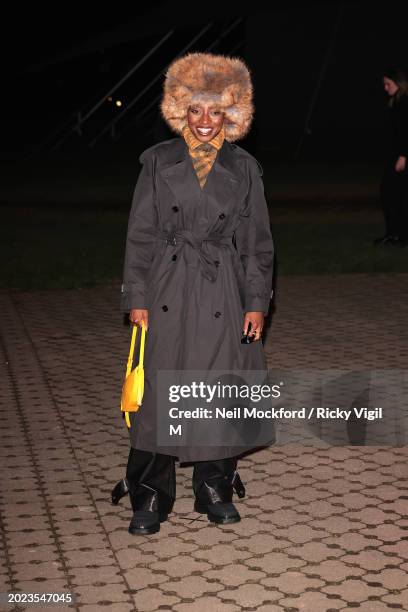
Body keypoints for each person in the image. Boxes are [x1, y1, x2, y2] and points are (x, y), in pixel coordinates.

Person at [111, 52, 275, 535]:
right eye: (196, 110)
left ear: (232, 114)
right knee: (160, 388)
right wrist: (136, 295)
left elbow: (257, 244)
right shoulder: (158, 162)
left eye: (216, 111)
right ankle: (150, 492)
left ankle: (213, 487)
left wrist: (255, 303)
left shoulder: (244, 168)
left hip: (222, 283)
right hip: (167, 283)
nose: (206, 122)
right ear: (181, 110)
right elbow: (140, 234)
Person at [374, 66, 408, 247]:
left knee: (392, 194)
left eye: (388, 84)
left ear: (399, 83)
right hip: (395, 156)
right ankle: (396, 233)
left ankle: (397, 234)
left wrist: (403, 155)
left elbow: (405, 132)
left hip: (401, 158)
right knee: (393, 195)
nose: (385, 88)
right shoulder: (396, 101)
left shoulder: (404, 103)